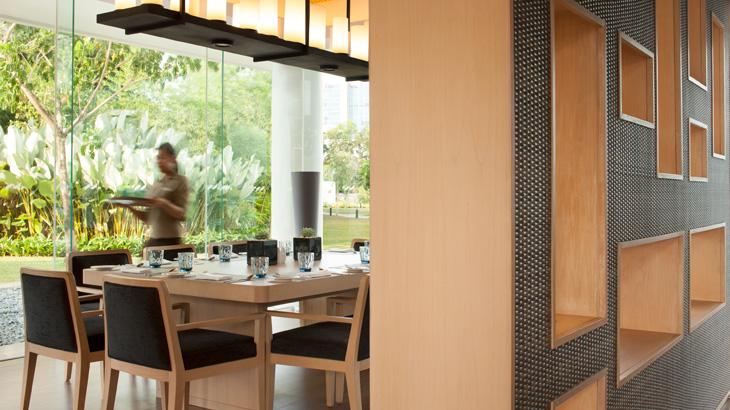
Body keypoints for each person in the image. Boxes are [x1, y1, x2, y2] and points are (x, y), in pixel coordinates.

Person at [124, 143, 189, 247]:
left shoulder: (181, 181)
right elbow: (147, 218)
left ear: (172, 158)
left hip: (172, 241)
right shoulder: (157, 184)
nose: (159, 161)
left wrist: (164, 203)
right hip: (154, 241)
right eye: (158, 158)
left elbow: (182, 214)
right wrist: (129, 207)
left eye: (162, 158)